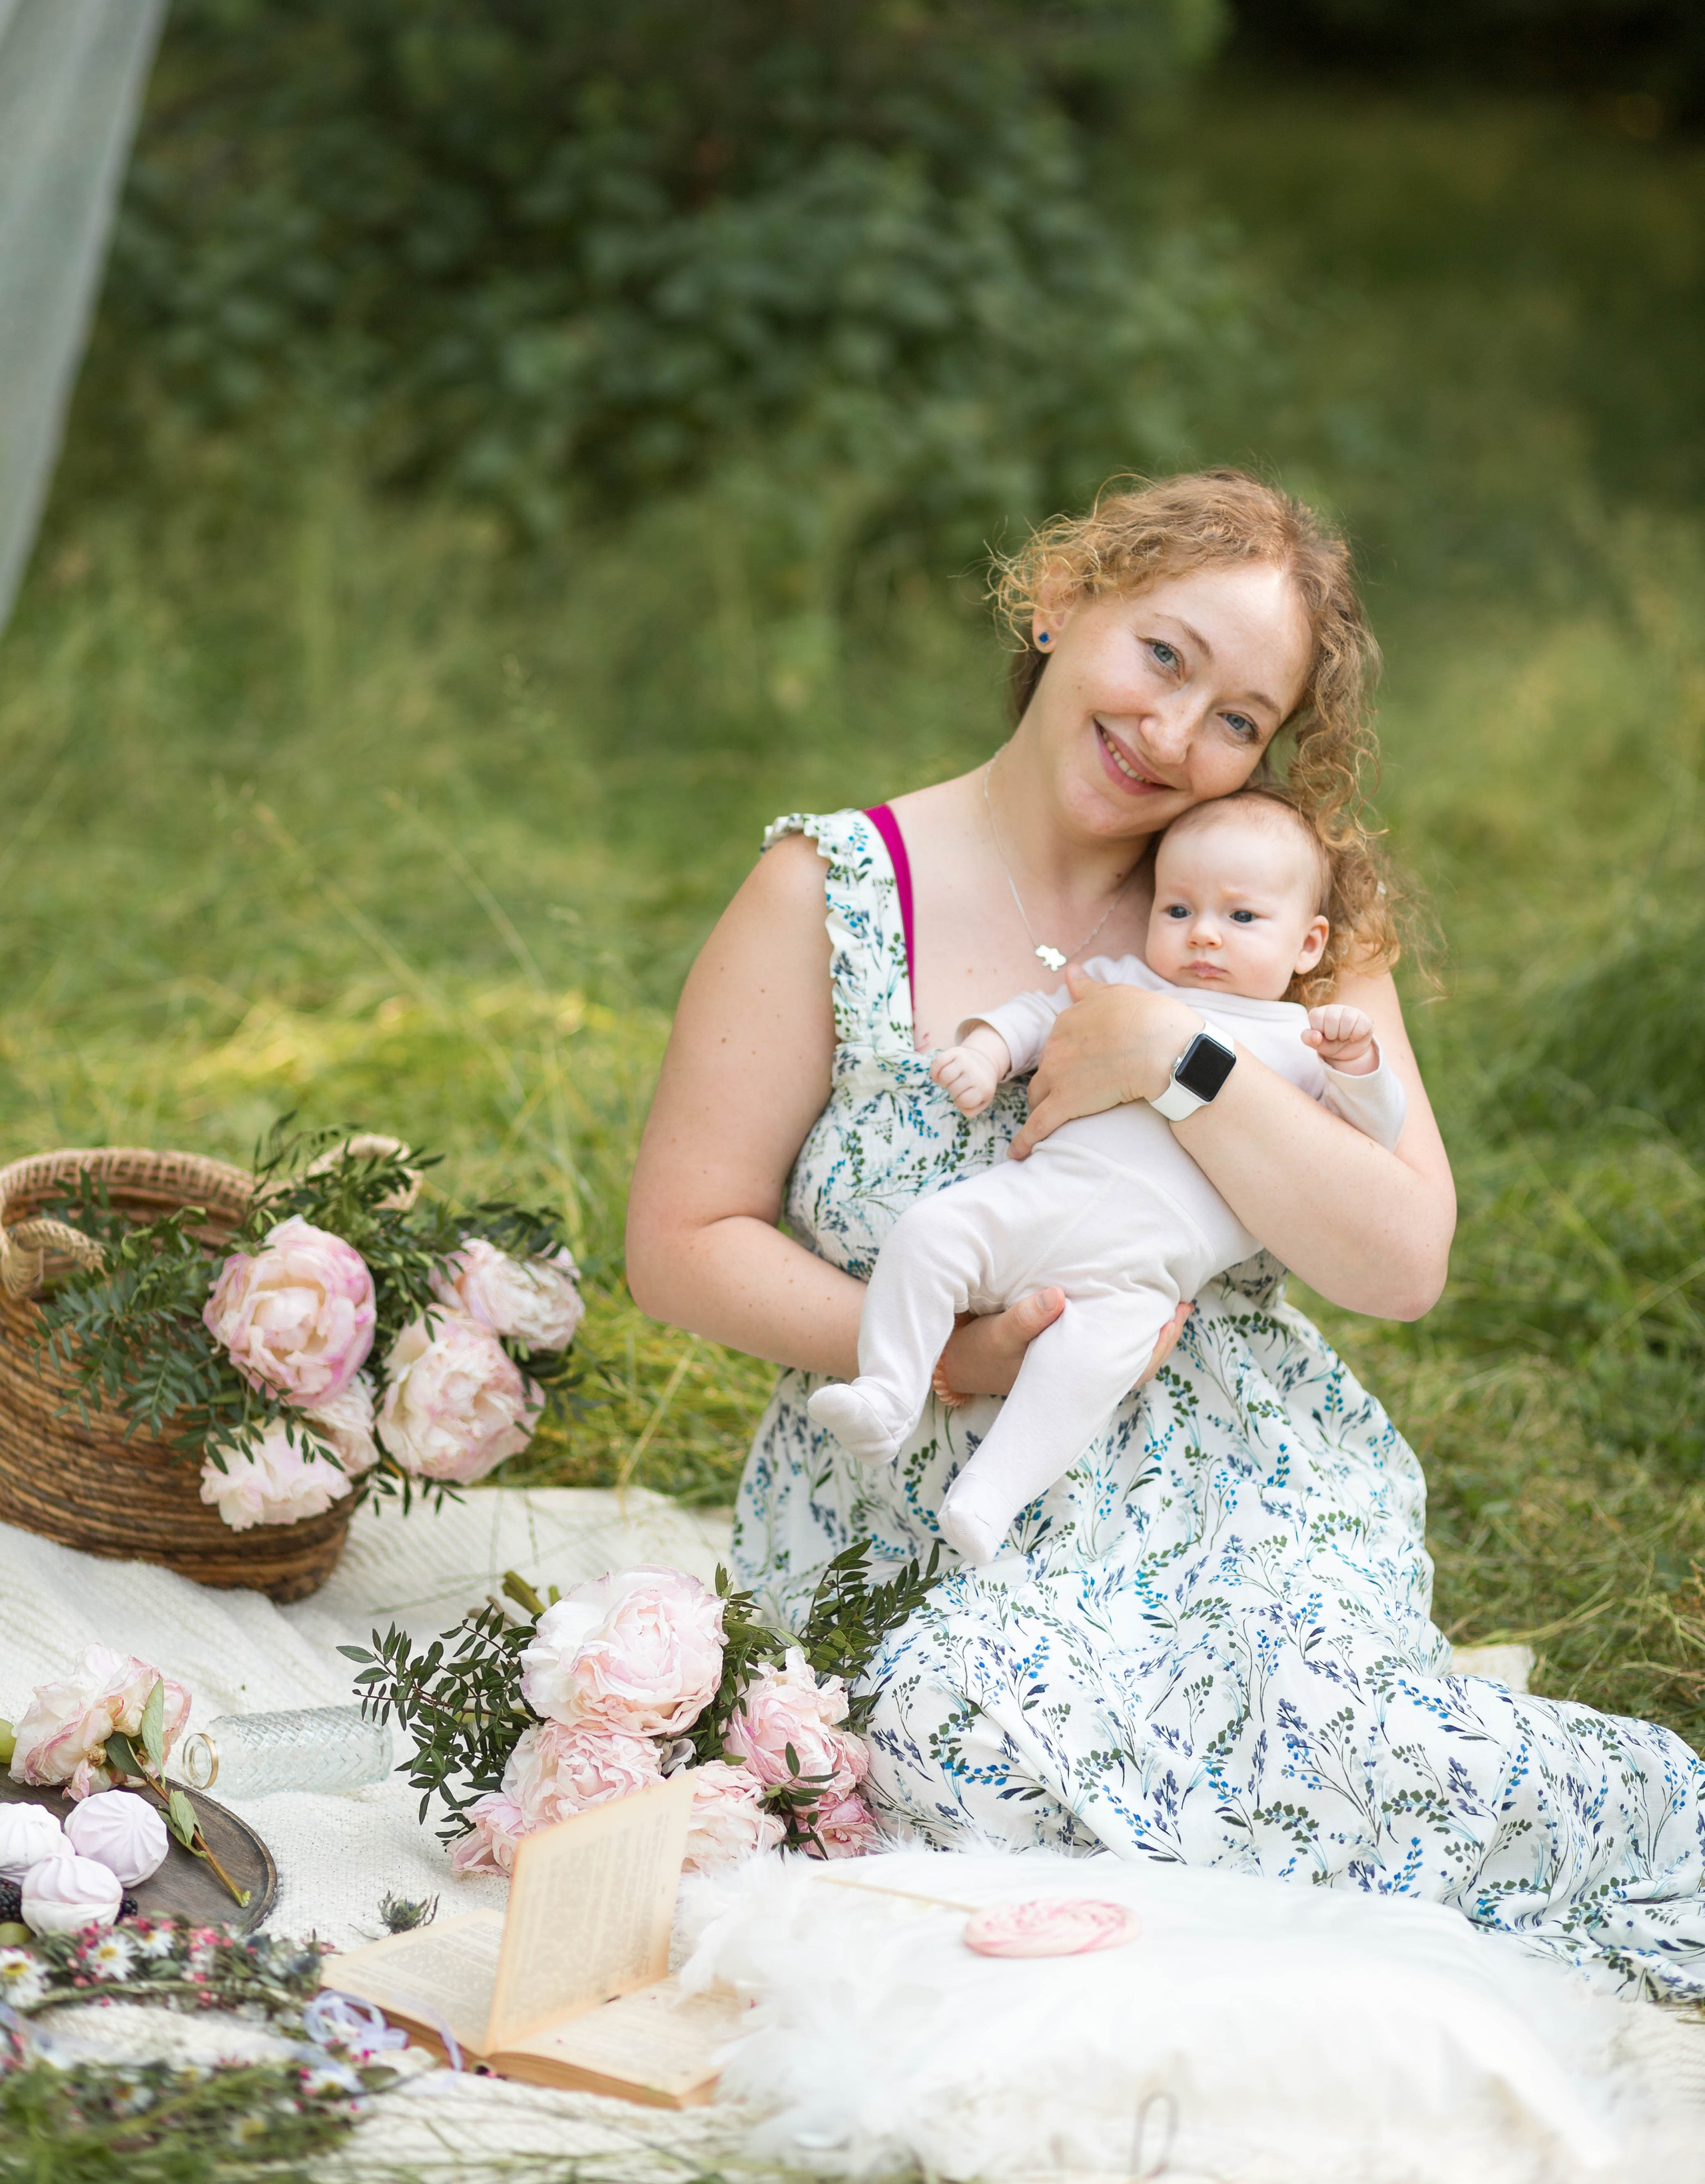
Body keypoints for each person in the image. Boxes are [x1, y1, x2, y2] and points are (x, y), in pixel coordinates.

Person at [627, 467, 1705, 1998]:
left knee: (1321, 1730)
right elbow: (680, 1236)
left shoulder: (1258, 902)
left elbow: (1398, 1265)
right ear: (1061, 601)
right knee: (963, 1745)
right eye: (1161, 655)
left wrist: (1177, 1062)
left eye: (1237, 716)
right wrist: (952, 1363)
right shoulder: (832, 892)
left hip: (1231, 1483)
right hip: (927, 1499)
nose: (1174, 734)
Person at [809, 790, 1407, 1564]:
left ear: (1307, 943)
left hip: (1140, 1274)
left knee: (1086, 1371)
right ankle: (888, 1393)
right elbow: (1039, 1012)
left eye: (1242, 918)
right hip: (1033, 1199)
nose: (1204, 937)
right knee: (929, 1235)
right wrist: (988, 1053)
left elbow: (1369, 1143)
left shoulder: (1300, 1044)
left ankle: (989, 1497)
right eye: (1178, 909)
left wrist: (1359, 1067)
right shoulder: (1131, 984)